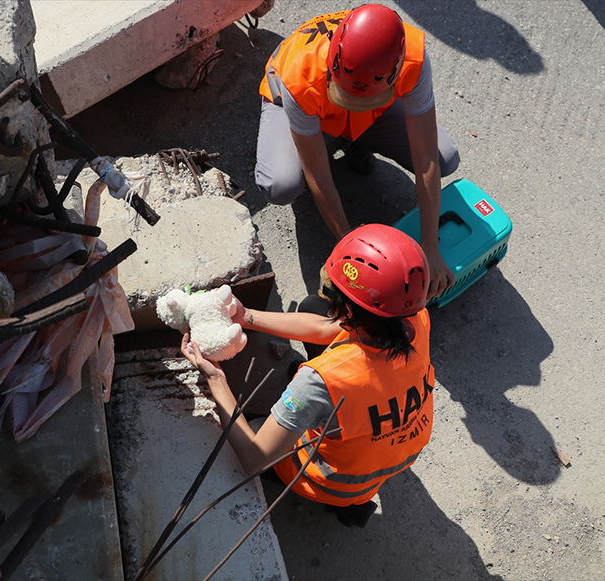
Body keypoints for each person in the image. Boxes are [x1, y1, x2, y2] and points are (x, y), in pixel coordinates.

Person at [180, 224, 436, 528]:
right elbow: (325, 328)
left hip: (336, 481)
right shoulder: (414, 318)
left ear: (350, 312)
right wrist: (245, 316)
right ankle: (344, 479)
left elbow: (253, 458)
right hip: (394, 450)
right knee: (313, 309)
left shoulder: (321, 380)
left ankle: (342, 500)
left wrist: (215, 379)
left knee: (245, 428)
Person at [255, 4, 460, 300]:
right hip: (296, 99)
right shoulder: (300, 75)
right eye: (347, 96)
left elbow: (426, 156)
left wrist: (431, 247)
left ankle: (355, 141)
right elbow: (320, 176)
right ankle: (341, 138)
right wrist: (354, 249)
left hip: (369, 108)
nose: (351, 103)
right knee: (281, 184)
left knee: (444, 156)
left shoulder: (411, 56)